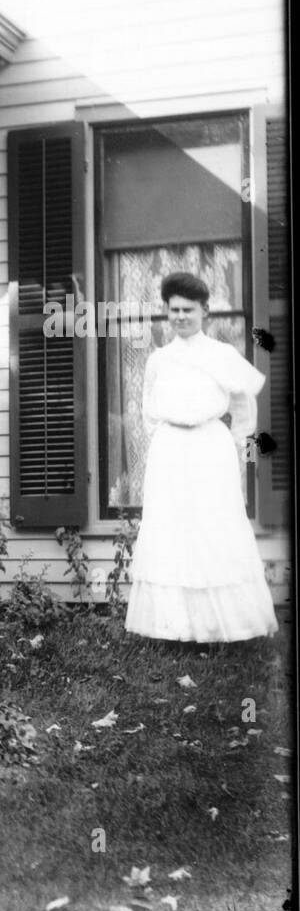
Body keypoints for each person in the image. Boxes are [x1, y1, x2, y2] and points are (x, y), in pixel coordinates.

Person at [125, 272, 278, 643]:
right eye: (173, 309)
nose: (180, 316)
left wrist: (237, 446)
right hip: (170, 450)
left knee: (213, 529)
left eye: (188, 309)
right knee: (172, 531)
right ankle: (172, 627)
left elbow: (244, 406)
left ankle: (223, 626)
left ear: (204, 311)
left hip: (211, 448)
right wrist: (168, 440)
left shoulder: (222, 355)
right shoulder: (159, 359)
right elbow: (147, 411)